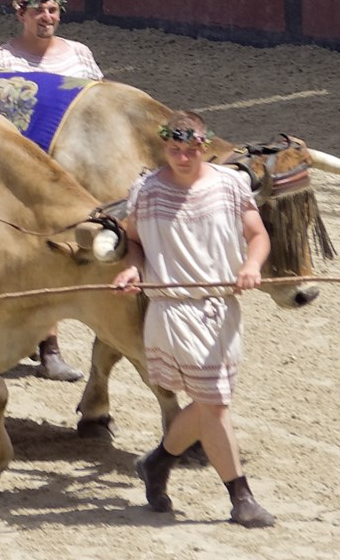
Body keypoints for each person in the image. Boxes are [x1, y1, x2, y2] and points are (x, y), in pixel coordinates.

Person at [115, 112, 279, 528]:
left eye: (190, 150)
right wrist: (133, 268)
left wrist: (252, 265)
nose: (182, 158)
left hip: (222, 309)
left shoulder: (229, 185)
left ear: (204, 147)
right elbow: (133, 241)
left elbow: (258, 235)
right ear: (165, 147)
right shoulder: (147, 191)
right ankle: (241, 498)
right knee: (215, 403)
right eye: (174, 150)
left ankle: (157, 462)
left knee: (210, 401)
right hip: (174, 310)